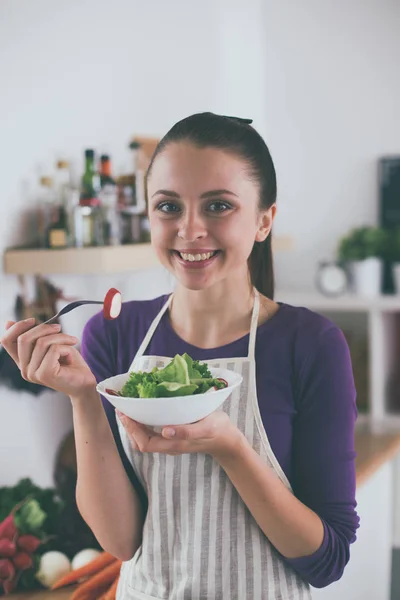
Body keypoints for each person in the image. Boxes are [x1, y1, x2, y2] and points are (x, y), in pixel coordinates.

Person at [1, 112, 359, 600]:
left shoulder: (310, 343)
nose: (190, 229)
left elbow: (327, 560)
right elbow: (122, 541)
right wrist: (84, 398)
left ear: (263, 221)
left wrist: (231, 448)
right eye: (168, 207)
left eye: (217, 206)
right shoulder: (115, 333)